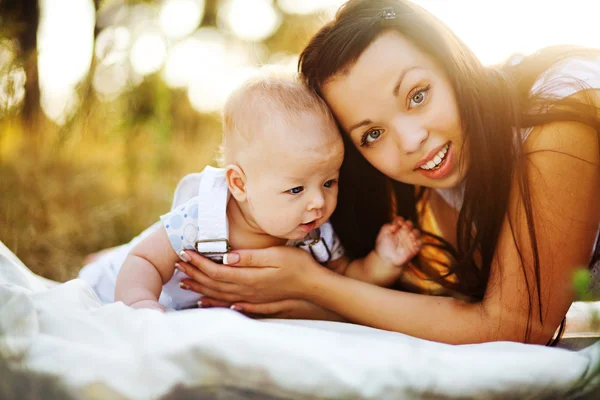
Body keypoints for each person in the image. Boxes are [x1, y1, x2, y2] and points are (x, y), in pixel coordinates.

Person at [174, 0, 600, 345]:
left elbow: (515, 326)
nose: (411, 140)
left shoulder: (557, 112)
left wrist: (311, 283)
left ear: (451, 63)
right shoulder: (437, 188)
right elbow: (445, 314)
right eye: (372, 133)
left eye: (418, 95)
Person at [80, 71, 421, 311]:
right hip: (121, 283)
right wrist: (140, 304)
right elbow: (145, 260)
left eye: (329, 182)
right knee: (117, 261)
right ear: (240, 184)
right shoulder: (202, 219)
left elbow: (346, 281)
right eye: (296, 188)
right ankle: (100, 260)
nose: (319, 202)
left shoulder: (315, 236)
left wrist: (383, 262)